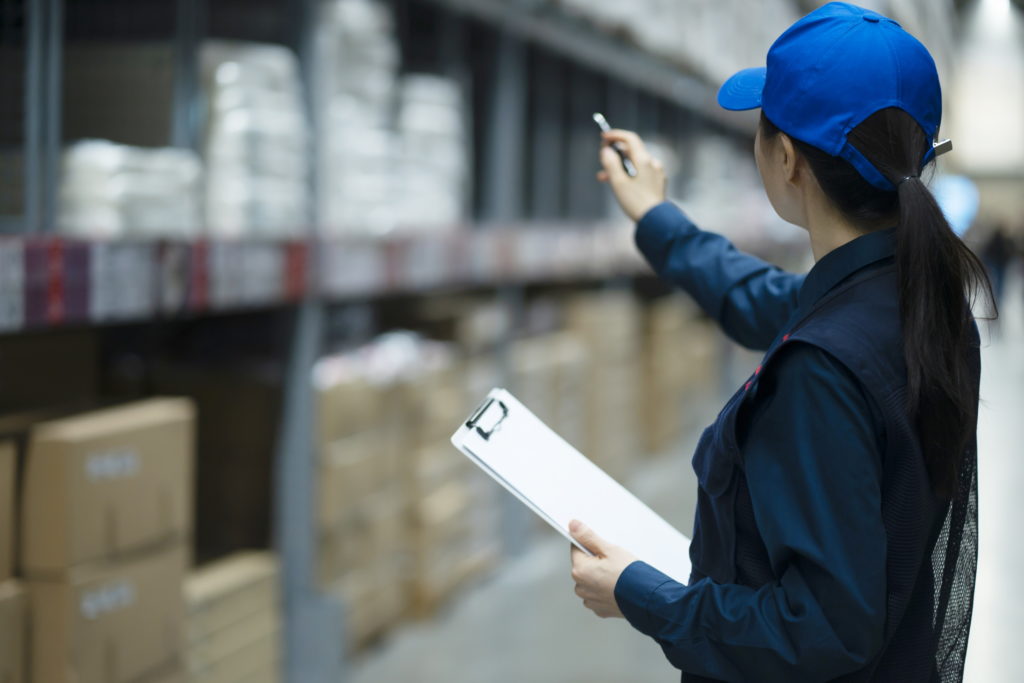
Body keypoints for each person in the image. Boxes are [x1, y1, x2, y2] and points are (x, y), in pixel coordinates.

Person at [567, 3, 995, 681]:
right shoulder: (919, 301)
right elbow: (755, 296)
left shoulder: (822, 371)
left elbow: (821, 628)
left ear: (788, 159)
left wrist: (640, 594)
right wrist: (656, 215)